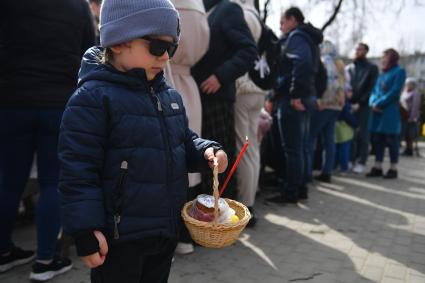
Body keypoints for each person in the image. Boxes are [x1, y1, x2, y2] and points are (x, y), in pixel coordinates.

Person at [57, 0, 228, 282]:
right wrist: (86, 231)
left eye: (171, 48)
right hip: (118, 238)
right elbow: (77, 170)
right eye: (157, 46)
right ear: (118, 43)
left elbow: (183, 141)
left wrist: (207, 151)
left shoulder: (169, 96)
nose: (165, 57)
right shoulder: (93, 98)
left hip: (164, 230)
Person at [0, 0, 95, 280]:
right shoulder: (77, 6)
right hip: (59, 103)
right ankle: (45, 259)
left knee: (9, 181)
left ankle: (3, 252)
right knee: (53, 182)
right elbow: (89, 52)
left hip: (11, 100)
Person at [192, 0, 257, 200]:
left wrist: (220, 76)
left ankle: (220, 222)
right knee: (201, 163)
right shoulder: (200, 10)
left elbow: (248, 50)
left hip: (216, 101)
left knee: (217, 166)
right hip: (197, 97)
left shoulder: (228, 9)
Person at [266, 7, 323, 204]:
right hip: (305, 97)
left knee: (292, 149)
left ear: (292, 20)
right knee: (300, 147)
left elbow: (303, 64)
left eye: (282, 22)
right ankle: (300, 188)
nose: (280, 26)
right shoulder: (308, 38)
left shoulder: (297, 37)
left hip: (293, 100)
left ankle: (290, 192)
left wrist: (295, 94)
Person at [166, 0, 210, 255]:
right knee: (190, 162)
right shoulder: (199, 8)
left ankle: (175, 234)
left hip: (167, 81)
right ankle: (187, 235)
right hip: (190, 87)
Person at [232, 0, 267, 227]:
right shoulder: (257, 17)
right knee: (252, 148)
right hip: (259, 90)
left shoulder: (242, 15)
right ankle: (250, 202)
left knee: (243, 149)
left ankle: (245, 205)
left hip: (244, 89)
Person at [307, 40, 345, 183]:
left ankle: (307, 173)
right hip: (337, 106)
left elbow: (329, 83)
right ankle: (327, 171)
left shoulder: (326, 61)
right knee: (329, 140)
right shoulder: (340, 63)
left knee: (311, 138)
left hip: (324, 105)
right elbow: (342, 85)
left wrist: (322, 101)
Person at [367, 48, 406, 179]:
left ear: (392, 58)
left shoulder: (399, 71)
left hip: (389, 112)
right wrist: (372, 102)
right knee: (378, 139)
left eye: (385, 57)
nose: (382, 60)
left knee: (391, 140)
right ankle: (377, 166)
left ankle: (393, 168)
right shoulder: (381, 74)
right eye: (382, 57)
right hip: (377, 112)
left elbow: (394, 92)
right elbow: (373, 91)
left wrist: (378, 103)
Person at [346, 43, 379, 174]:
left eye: (360, 49)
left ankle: (361, 161)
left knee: (363, 134)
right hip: (350, 105)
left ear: (366, 51)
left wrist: (360, 102)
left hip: (363, 106)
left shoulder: (372, 68)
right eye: (356, 49)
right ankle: (350, 160)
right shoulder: (350, 67)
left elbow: (371, 88)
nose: (357, 51)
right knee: (351, 134)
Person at [400, 77, 422, 156]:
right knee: (405, 133)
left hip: (411, 117)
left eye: (409, 84)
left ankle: (410, 150)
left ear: (413, 85)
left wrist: (412, 117)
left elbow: (415, 106)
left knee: (410, 134)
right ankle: (407, 149)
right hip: (403, 116)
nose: (407, 85)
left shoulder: (415, 93)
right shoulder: (404, 92)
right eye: (407, 84)